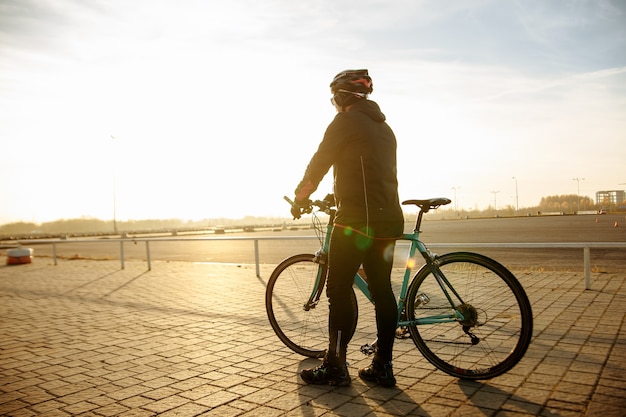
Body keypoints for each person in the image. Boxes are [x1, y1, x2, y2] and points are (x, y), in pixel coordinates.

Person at [290, 69, 404, 387]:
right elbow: (364, 169)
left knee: (338, 289)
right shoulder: (385, 128)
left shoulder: (345, 121)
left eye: (333, 98)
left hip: (356, 223)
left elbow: (320, 162)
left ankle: (335, 367)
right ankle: (383, 366)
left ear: (341, 97)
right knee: (382, 291)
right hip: (387, 220)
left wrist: (301, 198)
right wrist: (335, 193)